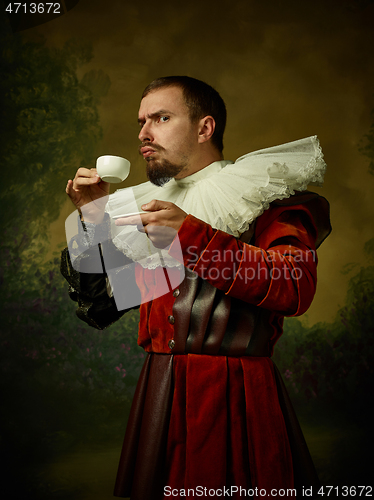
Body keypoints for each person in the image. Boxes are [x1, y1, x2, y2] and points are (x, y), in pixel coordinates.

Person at [61, 76, 331, 499]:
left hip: (235, 393)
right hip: (160, 391)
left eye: (161, 118)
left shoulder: (266, 196)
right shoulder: (148, 207)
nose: (143, 134)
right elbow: (112, 301)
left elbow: (294, 286)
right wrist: (95, 218)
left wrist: (189, 233)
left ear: (205, 128)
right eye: (141, 122)